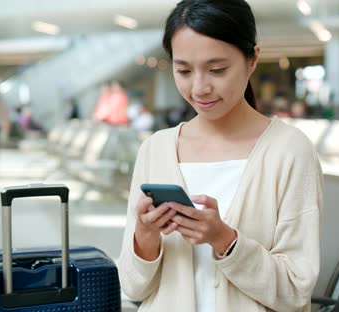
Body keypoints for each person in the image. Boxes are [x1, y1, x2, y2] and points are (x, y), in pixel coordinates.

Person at [117, 1, 323, 311]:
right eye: (183, 70)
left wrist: (224, 240)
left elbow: (295, 291)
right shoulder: (155, 150)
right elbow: (133, 287)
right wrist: (145, 237)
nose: (199, 88)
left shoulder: (290, 151)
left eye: (217, 70)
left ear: (252, 59)